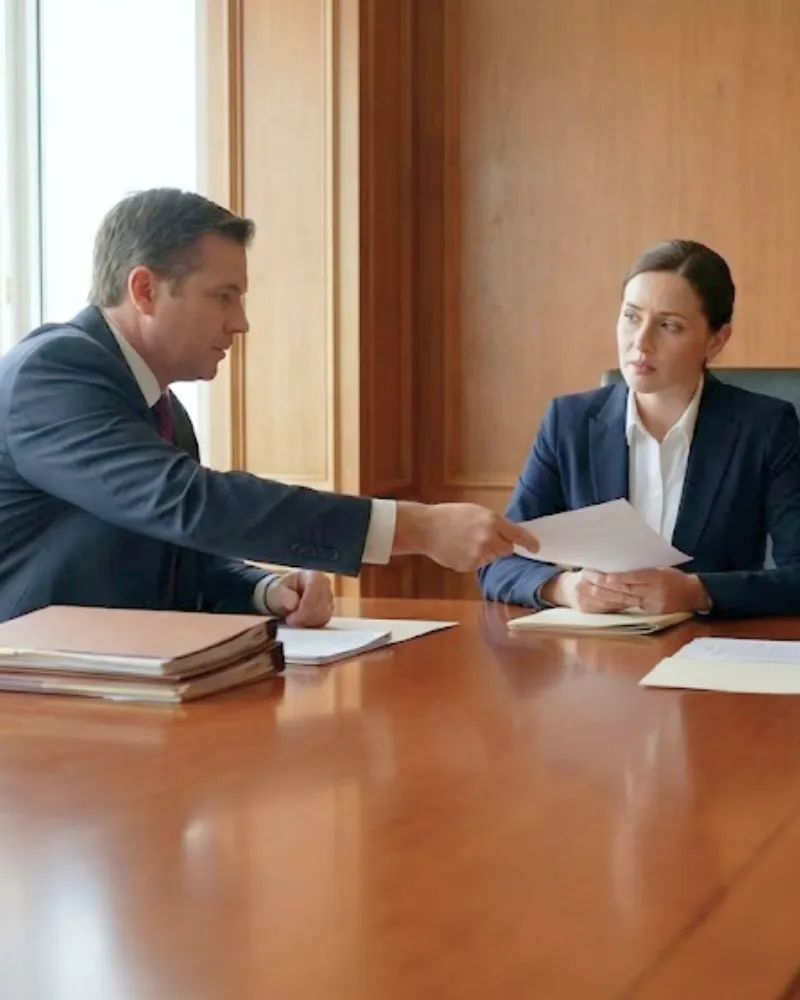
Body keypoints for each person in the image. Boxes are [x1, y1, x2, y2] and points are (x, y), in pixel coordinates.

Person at [0, 188, 537, 625]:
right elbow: (189, 504)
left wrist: (265, 589)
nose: (240, 323)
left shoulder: (163, 408)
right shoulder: (53, 373)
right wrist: (417, 528)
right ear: (144, 289)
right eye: (223, 296)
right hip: (31, 702)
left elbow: (176, 554)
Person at [479, 239, 800, 618]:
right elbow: (498, 562)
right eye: (631, 317)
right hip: (595, 659)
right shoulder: (568, 423)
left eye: (668, 326)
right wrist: (563, 587)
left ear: (717, 339)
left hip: (711, 652)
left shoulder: (764, 427)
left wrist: (697, 592)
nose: (641, 343)